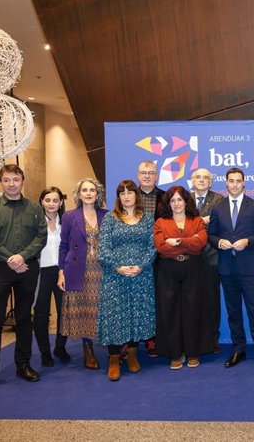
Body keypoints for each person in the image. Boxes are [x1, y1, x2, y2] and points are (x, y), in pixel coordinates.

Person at [0, 164, 47, 393]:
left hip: (27, 268)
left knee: (25, 318)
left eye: (15, 180)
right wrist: (11, 259)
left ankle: (23, 364)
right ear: (1, 182)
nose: (11, 184)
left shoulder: (35, 209)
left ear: (22, 181)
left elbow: (40, 237)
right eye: (6, 180)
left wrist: (22, 257)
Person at [208, 167, 254, 373]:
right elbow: (210, 235)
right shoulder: (218, 208)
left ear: (244, 183)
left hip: (249, 269)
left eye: (238, 181)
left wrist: (248, 241)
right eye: (231, 181)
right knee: (233, 312)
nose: (235, 184)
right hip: (227, 269)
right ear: (226, 183)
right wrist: (219, 243)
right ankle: (238, 349)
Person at [97, 180, 156, 381]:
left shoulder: (147, 218)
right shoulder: (110, 219)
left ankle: (132, 354)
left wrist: (141, 266)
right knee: (115, 315)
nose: (126, 196)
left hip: (141, 275)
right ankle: (114, 359)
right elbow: (103, 248)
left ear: (136, 196)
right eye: (122, 193)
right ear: (118, 198)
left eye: (129, 192)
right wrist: (118, 267)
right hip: (115, 275)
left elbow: (152, 246)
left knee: (135, 314)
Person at [154, 186, 214, 369]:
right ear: (167, 203)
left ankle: (193, 352)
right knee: (170, 311)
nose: (177, 204)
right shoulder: (160, 222)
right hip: (168, 270)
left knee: (193, 310)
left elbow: (200, 243)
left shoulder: (196, 220)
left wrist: (176, 241)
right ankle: (175, 353)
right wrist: (189, 241)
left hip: (193, 269)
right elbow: (160, 246)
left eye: (180, 199)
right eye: (173, 200)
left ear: (186, 202)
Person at [58, 178, 108, 370]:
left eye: (92, 190)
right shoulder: (69, 217)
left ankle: (111, 345)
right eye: (84, 190)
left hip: (102, 270)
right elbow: (63, 246)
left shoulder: (108, 215)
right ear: (79, 194)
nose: (88, 193)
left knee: (101, 307)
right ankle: (88, 349)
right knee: (85, 308)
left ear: (98, 194)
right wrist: (61, 272)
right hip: (78, 269)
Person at [33, 186, 71, 367]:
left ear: (61, 202)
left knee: (64, 312)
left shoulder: (67, 221)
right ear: (42, 202)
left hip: (62, 272)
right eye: (47, 200)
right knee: (41, 313)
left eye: (55, 200)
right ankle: (45, 352)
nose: (51, 204)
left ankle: (60, 347)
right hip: (41, 272)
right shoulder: (34, 222)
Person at [190, 168, 224, 351]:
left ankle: (212, 339)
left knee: (212, 301)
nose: (201, 180)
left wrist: (193, 222)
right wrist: (204, 220)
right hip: (188, 259)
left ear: (211, 182)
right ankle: (192, 339)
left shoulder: (219, 199)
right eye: (198, 177)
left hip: (212, 258)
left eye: (205, 178)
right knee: (190, 301)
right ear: (192, 180)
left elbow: (219, 221)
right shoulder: (184, 198)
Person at [136, 160, 165, 357]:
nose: (147, 176)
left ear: (156, 176)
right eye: (144, 173)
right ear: (138, 175)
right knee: (134, 298)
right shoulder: (128, 195)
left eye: (151, 173)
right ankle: (129, 341)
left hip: (160, 257)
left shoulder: (165, 197)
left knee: (154, 299)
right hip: (133, 255)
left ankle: (151, 338)